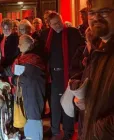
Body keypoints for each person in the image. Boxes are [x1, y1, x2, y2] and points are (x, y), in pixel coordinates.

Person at [40, 11, 85, 140]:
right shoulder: (45, 35)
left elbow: (82, 49)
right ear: (49, 25)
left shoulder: (72, 33)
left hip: (69, 74)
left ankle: (68, 132)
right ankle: (54, 131)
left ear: (62, 19)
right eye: (54, 24)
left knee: (68, 104)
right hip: (53, 75)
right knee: (54, 104)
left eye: (59, 22)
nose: (58, 25)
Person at [74, 0, 114, 139]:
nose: (96, 17)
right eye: (92, 13)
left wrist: (98, 129)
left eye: (104, 12)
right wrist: (87, 101)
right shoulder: (97, 49)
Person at [11, 35, 46, 140]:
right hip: (27, 94)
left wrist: (14, 80)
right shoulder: (23, 58)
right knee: (29, 119)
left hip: (32, 94)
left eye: (20, 43)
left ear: (28, 44)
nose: (18, 45)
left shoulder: (33, 59)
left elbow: (25, 78)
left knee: (33, 119)